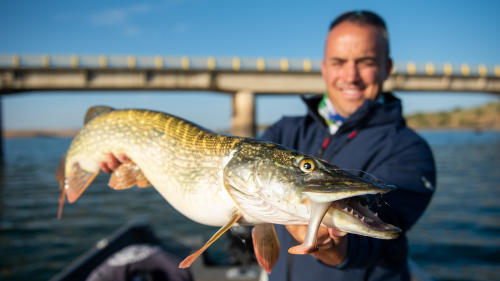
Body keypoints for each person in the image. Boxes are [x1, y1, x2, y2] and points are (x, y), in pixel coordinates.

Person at [100, 10, 436, 281]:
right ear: (324, 68)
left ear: (387, 67)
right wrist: (144, 165)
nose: (350, 75)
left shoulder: (410, 151)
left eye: (365, 61)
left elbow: (378, 238)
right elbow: (248, 188)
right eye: (338, 62)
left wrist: (331, 247)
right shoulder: (286, 130)